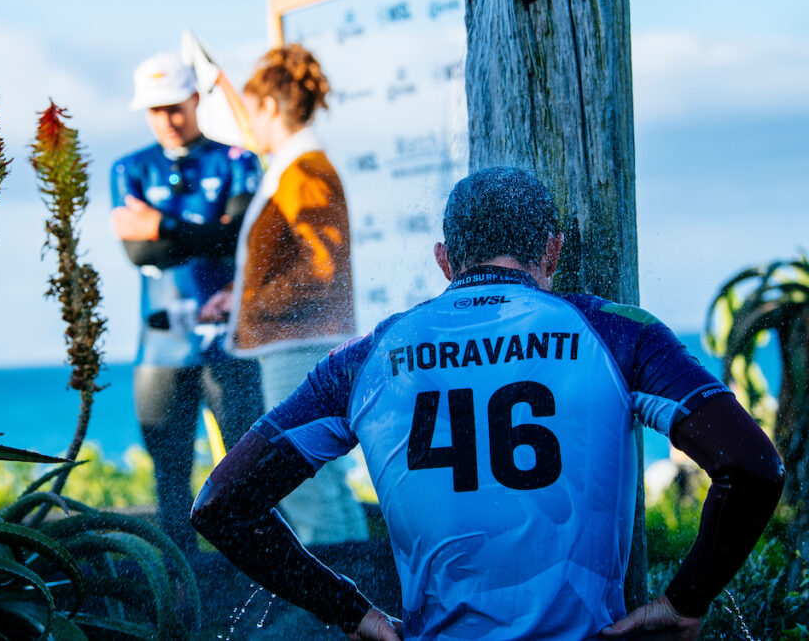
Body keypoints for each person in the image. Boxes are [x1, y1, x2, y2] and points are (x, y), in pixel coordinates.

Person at [191, 166, 785, 640]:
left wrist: (352, 612)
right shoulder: (619, 333)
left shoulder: (365, 358)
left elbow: (221, 505)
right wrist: (686, 600)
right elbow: (753, 467)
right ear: (551, 252)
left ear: (445, 261)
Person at [200, 43, 368, 545]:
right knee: (318, 486)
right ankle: (357, 597)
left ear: (270, 107)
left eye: (253, 110)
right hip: (296, 345)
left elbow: (321, 271)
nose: (249, 122)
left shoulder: (305, 170)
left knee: (307, 487)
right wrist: (239, 295)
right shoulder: (296, 167)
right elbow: (301, 262)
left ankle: (341, 611)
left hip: (300, 348)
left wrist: (250, 304)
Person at [110, 51, 264, 553]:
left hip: (231, 345)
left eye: (175, 106)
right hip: (161, 349)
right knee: (171, 481)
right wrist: (206, 232)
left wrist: (161, 225)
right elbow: (139, 252)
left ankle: (261, 591)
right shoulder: (129, 169)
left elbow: (240, 237)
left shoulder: (238, 160)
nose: (167, 121)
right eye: (155, 111)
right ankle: (183, 596)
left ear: (196, 100)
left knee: (250, 476)